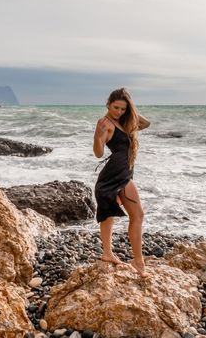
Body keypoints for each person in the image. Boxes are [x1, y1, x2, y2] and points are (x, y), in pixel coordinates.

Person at [93, 88, 151, 277]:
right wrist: (97, 136)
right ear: (108, 103)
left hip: (124, 172)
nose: (118, 112)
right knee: (138, 215)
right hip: (116, 175)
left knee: (109, 214)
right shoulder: (105, 123)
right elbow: (99, 153)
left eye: (123, 109)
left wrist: (130, 111)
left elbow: (145, 124)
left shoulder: (125, 123)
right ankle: (138, 262)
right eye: (115, 107)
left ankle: (108, 253)